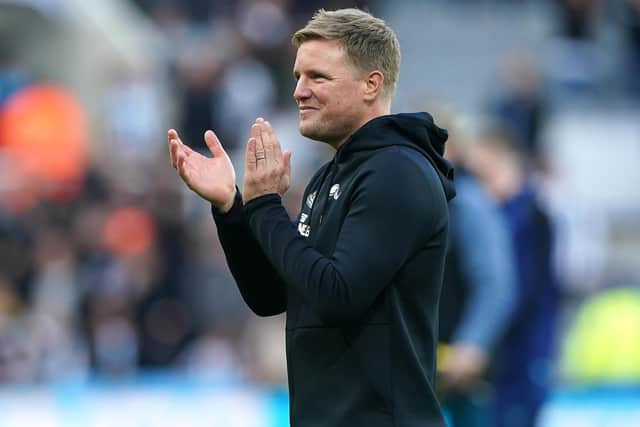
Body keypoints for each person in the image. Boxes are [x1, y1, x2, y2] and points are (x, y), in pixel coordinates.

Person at [168, 8, 455, 427]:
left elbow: (337, 294)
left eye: (318, 77)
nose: (300, 91)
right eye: (299, 77)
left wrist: (265, 204)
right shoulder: (330, 176)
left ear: (371, 84)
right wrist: (231, 208)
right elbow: (272, 295)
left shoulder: (398, 173)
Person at [468, 126, 558, 427]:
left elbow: (523, 288)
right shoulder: (497, 211)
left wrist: (479, 337)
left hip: (522, 350)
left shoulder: (530, 214)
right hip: (499, 352)